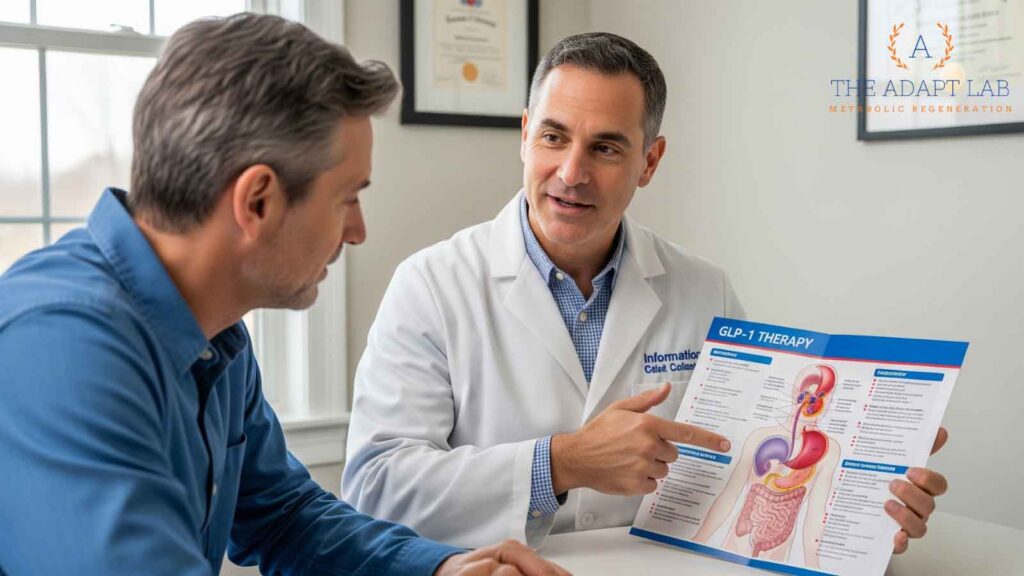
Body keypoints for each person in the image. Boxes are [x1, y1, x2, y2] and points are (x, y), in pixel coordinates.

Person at [0, 14, 567, 576]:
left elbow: (284, 518)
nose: (357, 232)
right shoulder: (60, 346)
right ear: (259, 202)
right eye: (347, 199)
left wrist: (443, 570)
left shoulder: (216, 330)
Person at [342, 32, 949, 555]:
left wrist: (859, 502)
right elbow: (375, 488)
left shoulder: (705, 290)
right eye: (553, 137)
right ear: (525, 136)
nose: (572, 173)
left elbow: (748, 466)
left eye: (606, 147)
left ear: (650, 161)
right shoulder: (431, 285)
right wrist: (560, 463)